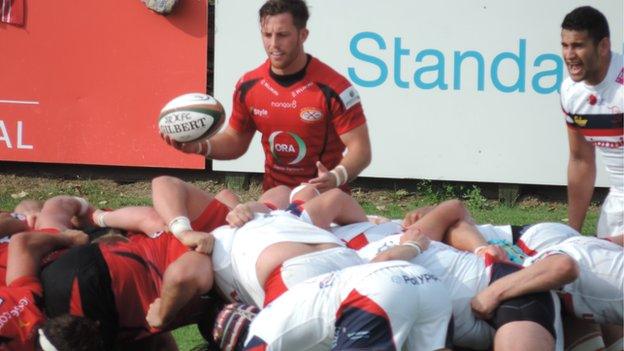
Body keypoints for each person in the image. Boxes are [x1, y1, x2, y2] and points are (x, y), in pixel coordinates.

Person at [162, 0, 372, 192]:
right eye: (267, 35)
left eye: (282, 35)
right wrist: (198, 146)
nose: (273, 44)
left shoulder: (335, 88)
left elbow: (361, 150)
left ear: (303, 35)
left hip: (324, 203)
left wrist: (335, 177)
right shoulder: (249, 85)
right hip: (273, 201)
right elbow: (235, 140)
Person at [560, 6, 624, 237]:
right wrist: (572, 236)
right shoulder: (570, 91)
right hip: (617, 200)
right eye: (565, 45)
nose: (569, 55)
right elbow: (581, 161)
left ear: (603, 46)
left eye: (578, 45)